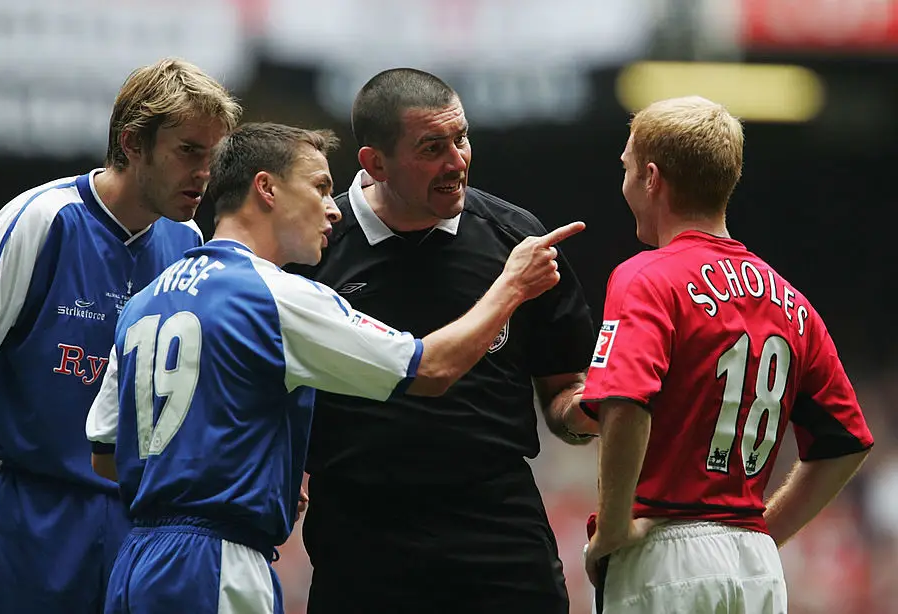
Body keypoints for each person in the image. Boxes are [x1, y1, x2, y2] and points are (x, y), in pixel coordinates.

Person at [83, 122, 585, 613]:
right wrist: (512, 284)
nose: (332, 209)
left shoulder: (147, 299)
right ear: (267, 189)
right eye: (320, 187)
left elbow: (106, 453)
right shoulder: (278, 295)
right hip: (218, 562)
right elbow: (429, 369)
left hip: (138, 558)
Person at [0, 57, 242, 613]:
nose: (205, 173)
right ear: (132, 144)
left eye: (212, 155)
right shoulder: (42, 219)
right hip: (32, 514)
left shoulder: (188, 241)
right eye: (189, 152)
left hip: (139, 521)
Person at [285, 68, 597, 613]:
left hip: (498, 527)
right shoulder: (315, 248)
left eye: (461, 139)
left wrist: (589, 412)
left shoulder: (515, 238)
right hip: (362, 535)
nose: (457, 161)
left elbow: (563, 390)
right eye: (432, 147)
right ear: (374, 163)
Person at [580, 96, 874, 613]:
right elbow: (845, 441)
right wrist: (764, 531)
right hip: (757, 567)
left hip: (664, 556)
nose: (623, 183)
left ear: (652, 178)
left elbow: (625, 401)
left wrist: (612, 525)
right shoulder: (792, 302)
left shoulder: (646, 277)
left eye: (626, 169)